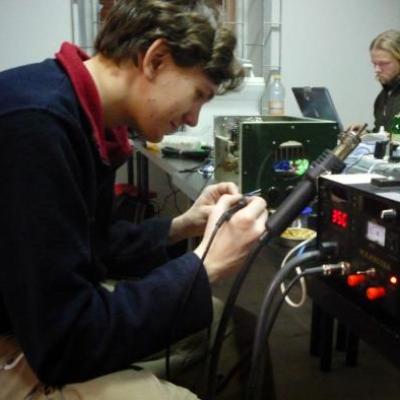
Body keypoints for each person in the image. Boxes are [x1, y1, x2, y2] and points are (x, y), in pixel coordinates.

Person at [0, 1, 268, 399]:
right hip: (30, 339)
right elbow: (65, 343)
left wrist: (182, 226)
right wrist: (204, 266)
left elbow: (89, 245)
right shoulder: (35, 126)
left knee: (230, 328)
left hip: (42, 320)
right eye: (197, 95)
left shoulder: (83, 114)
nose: (193, 119)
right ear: (155, 59)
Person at [349, 29, 400, 133]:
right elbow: (390, 134)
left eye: (383, 63)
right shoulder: (383, 96)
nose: (377, 69)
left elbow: (396, 137)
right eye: (374, 64)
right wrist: (365, 134)